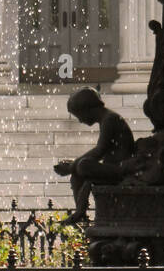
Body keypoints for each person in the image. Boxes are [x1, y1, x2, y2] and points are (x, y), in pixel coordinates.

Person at [54, 87, 135, 222]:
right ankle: (80, 212)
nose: (80, 121)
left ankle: (80, 212)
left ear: (88, 109)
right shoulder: (107, 119)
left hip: (121, 170)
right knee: (78, 170)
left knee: (82, 166)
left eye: (79, 115)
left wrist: (72, 166)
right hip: (114, 167)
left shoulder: (110, 119)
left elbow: (99, 151)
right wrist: (74, 165)